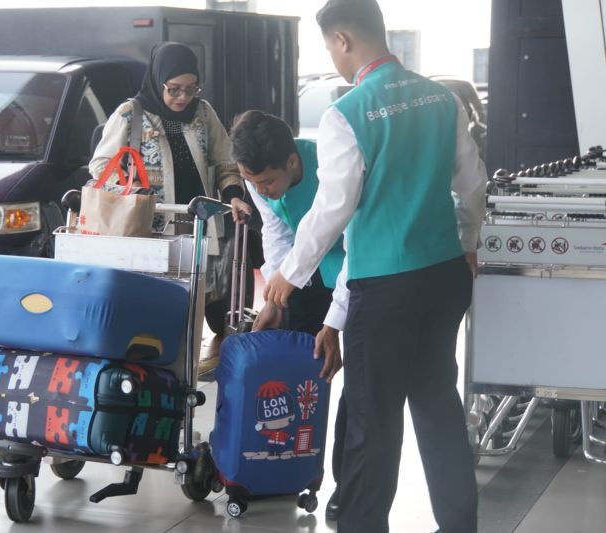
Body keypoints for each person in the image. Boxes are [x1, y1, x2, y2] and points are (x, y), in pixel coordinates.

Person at [264, 1, 487, 532]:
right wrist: (469, 240)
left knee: (373, 423)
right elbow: (473, 182)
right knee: (437, 409)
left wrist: (288, 274)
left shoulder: (347, 113)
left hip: (384, 288)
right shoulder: (443, 98)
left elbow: (333, 209)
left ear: (342, 39)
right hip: (444, 276)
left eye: (328, 47)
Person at [90, 42, 253, 372]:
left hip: (197, 226)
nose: (183, 98)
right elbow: (100, 165)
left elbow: (225, 161)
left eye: (191, 89)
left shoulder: (204, 112)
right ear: (157, 80)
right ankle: (153, 370)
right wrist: (129, 186)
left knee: (193, 303)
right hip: (149, 228)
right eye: (174, 89)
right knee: (156, 303)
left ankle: (184, 373)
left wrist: (234, 194)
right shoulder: (130, 114)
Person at [229, 109, 349, 521]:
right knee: (303, 377)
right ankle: (286, 469)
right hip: (303, 275)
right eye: (253, 181)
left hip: (355, 271)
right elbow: (276, 229)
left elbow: (355, 246)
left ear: (293, 163)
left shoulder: (334, 166)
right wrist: (277, 299)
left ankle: (347, 486)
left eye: (267, 182)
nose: (261, 189)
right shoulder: (257, 177)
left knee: (357, 386)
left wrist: (335, 320)